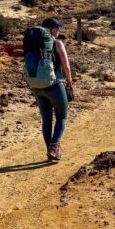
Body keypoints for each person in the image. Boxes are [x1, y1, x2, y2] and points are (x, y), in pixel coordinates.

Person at [33, 17, 73, 162]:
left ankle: (50, 150)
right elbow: (66, 66)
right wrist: (69, 82)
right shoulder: (57, 43)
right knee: (62, 116)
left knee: (47, 120)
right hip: (55, 84)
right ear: (51, 29)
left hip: (37, 87)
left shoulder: (36, 44)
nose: (59, 31)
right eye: (58, 28)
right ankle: (54, 147)